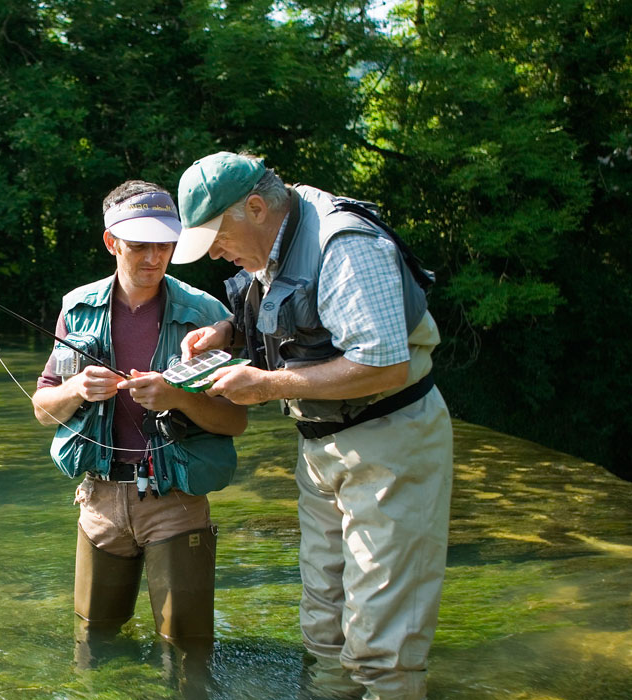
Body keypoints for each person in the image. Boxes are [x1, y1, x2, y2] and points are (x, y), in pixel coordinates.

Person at [169, 152, 454, 700]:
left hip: (389, 442)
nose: (215, 254)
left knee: (382, 643)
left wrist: (268, 385)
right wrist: (227, 334)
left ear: (254, 207)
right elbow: (295, 310)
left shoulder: (345, 244)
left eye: (216, 239)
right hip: (322, 447)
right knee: (324, 625)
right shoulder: (272, 235)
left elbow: (383, 363)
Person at [31, 180, 247, 680]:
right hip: (100, 502)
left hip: (176, 500)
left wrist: (176, 398)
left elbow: (235, 420)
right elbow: (44, 409)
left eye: (165, 244)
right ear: (112, 242)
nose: (155, 257)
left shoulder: (208, 315)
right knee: (95, 642)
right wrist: (76, 390)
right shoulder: (77, 307)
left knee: (189, 651)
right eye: (140, 244)